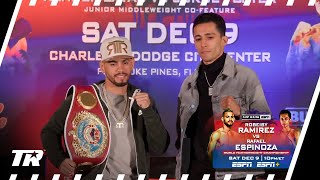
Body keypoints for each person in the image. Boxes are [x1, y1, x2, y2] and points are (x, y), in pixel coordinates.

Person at [41, 36, 170, 180]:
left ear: (132, 63)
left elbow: (159, 148)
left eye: (125, 62)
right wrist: (60, 160)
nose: (120, 68)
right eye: (113, 63)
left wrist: (148, 111)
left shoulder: (143, 100)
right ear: (102, 66)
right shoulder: (83, 98)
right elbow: (49, 132)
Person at [175, 13, 270, 180]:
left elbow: (267, 129)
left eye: (209, 37)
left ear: (224, 40)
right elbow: (181, 136)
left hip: (235, 174)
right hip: (195, 172)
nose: (203, 44)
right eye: (198, 39)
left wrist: (240, 113)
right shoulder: (188, 84)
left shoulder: (246, 77)